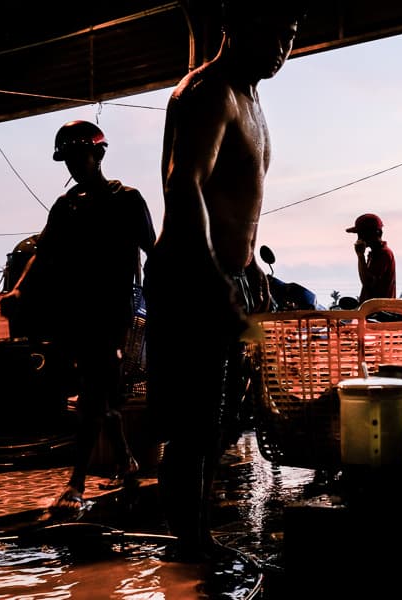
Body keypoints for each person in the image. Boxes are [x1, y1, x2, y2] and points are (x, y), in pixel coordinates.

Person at [144, 0, 303, 561]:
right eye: (272, 33)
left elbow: (235, 198)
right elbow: (183, 185)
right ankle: (188, 544)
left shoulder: (252, 99)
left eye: (290, 36)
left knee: (217, 420)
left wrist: (248, 265)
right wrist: (214, 277)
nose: (282, 49)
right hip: (191, 274)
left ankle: (195, 535)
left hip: (226, 272)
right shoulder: (208, 91)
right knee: (192, 424)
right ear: (235, 25)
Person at [0, 119, 156, 513]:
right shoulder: (66, 207)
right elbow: (44, 252)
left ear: (99, 154)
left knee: (92, 391)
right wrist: (19, 289)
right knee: (100, 386)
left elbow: (153, 250)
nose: (73, 164)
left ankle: (76, 483)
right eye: (67, 158)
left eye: (79, 155)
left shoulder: (128, 200)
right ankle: (126, 460)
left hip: (116, 309)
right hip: (77, 310)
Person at [346, 213, 396, 304]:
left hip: (379, 314)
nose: (359, 238)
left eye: (362, 234)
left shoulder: (384, 254)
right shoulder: (374, 254)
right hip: (372, 312)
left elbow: (368, 282)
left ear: (377, 233)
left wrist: (360, 256)